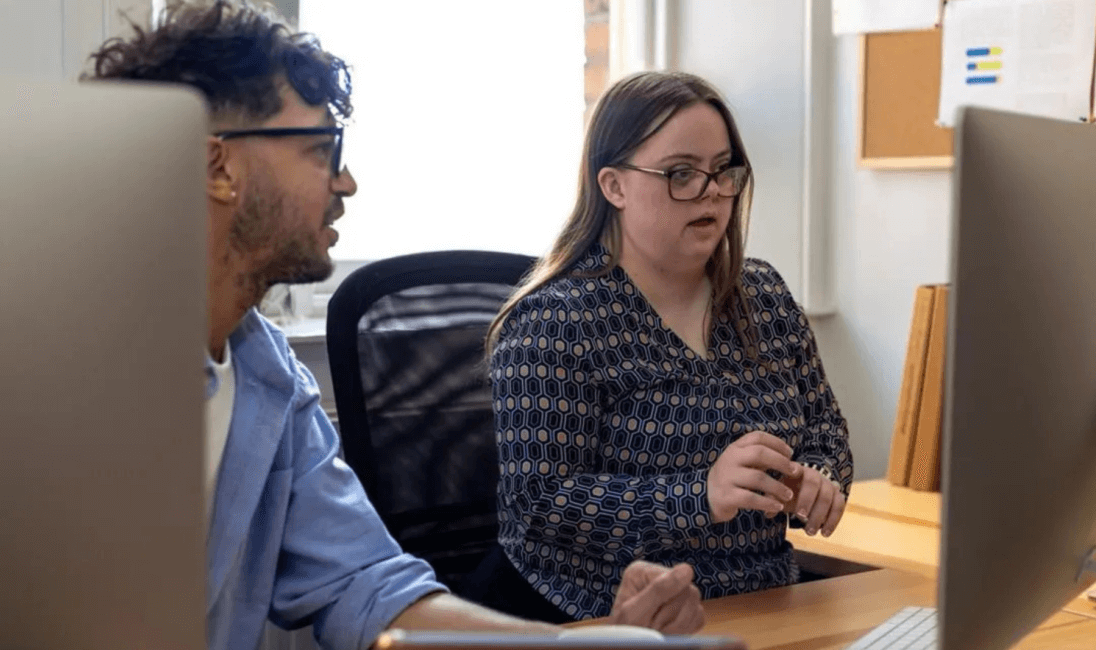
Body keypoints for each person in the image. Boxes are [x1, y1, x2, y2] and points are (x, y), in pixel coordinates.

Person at [84, 3, 704, 649]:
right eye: (321, 150)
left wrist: (579, 646)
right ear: (219, 167)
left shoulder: (270, 380)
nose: (347, 181)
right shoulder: (68, 367)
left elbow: (370, 588)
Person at [485, 71, 854, 621]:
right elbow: (540, 502)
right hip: (605, 614)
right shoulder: (553, 321)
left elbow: (827, 432)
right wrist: (699, 496)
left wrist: (817, 480)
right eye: (681, 173)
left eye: (723, 170)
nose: (711, 191)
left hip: (766, 598)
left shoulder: (764, 295)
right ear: (614, 186)